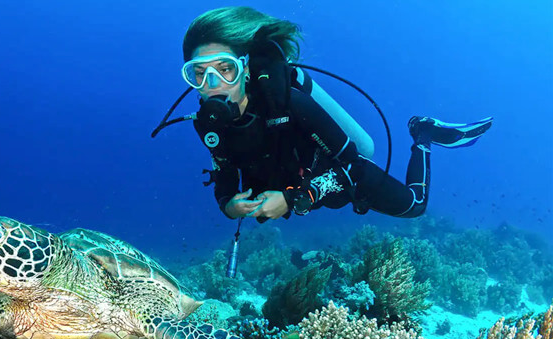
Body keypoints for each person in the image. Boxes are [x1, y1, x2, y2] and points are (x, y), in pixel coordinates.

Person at [178, 6, 493, 222]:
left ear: (245, 70)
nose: (213, 84)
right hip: (298, 185)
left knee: (415, 208)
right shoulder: (208, 125)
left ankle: (424, 133)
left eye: (225, 69)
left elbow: (354, 166)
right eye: (198, 74)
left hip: (338, 173)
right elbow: (225, 176)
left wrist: (295, 199)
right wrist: (231, 207)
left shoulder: (290, 104)